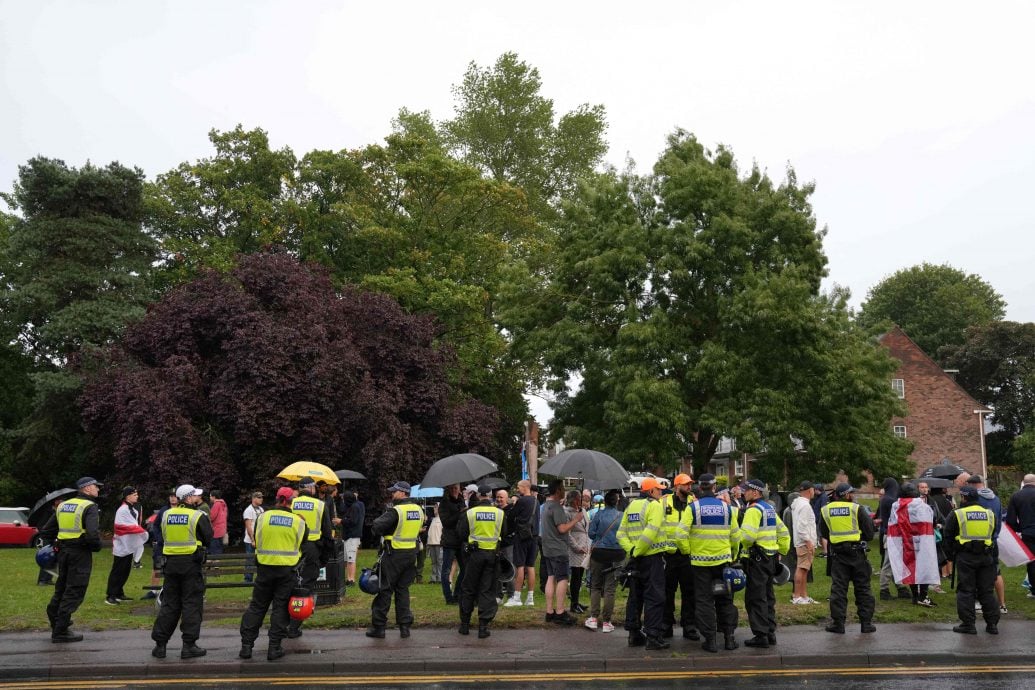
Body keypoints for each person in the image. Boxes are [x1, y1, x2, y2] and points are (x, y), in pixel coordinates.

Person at [238, 487, 308, 661]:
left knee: (257, 607)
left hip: (264, 569)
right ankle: (274, 648)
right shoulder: (298, 521)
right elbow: (303, 543)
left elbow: (257, 538)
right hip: (286, 571)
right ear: (289, 501)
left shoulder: (263, 517)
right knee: (280, 608)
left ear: (278, 499)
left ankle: (246, 647)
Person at [680, 473, 741, 653]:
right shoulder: (727, 508)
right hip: (723, 562)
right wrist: (733, 554)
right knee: (725, 600)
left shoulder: (693, 508)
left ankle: (710, 640)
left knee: (704, 601)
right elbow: (736, 536)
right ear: (714, 488)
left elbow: (680, 535)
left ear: (700, 487)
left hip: (700, 564)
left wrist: (688, 551)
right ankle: (729, 638)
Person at [151, 484, 212, 659]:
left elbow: (162, 536)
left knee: (170, 604)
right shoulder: (197, 515)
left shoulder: (166, 515)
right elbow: (208, 538)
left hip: (170, 565)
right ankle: (189, 645)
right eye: (194, 496)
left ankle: (160, 645)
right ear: (189, 498)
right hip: (191, 565)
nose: (196, 499)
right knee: (191, 604)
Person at [43, 477, 103, 643]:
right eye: (96, 487)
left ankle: (55, 620)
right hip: (80, 553)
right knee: (74, 590)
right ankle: (61, 631)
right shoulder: (89, 506)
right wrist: (96, 547)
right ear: (87, 488)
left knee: (61, 588)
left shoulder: (62, 505)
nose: (98, 490)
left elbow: (47, 531)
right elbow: (92, 535)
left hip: (64, 552)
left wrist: (58, 543)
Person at [617, 477, 674, 650]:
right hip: (651, 559)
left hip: (636, 561)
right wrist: (638, 550)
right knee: (655, 598)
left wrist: (632, 551)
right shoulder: (654, 506)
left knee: (635, 597)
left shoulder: (632, 506)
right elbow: (651, 532)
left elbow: (620, 534)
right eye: (658, 489)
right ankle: (653, 637)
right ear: (650, 491)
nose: (661, 492)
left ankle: (634, 634)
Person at [739, 479, 791, 648]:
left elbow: (747, 537)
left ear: (756, 492)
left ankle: (760, 635)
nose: (743, 492)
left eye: (746, 490)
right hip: (770, 559)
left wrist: (742, 546)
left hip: (757, 560)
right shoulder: (769, 508)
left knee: (756, 598)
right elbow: (783, 532)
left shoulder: (753, 510)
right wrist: (780, 552)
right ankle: (770, 632)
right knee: (768, 597)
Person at [367, 481, 422, 639]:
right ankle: (404, 627)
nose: (392, 494)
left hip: (393, 555)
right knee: (403, 590)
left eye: (395, 491)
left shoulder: (396, 510)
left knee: (385, 590)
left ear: (403, 493)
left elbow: (376, 526)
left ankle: (379, 627)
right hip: (411, 555)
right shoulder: (419, 510)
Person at [819, 483, 876, 635]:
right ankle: (866, 624)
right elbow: (870, 533)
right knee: (863, 589)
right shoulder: (856, 508)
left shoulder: (826, 510)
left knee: (838, 590)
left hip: (838, 555)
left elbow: (824, 532)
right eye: (852, 493)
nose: (853, 495)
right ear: (846, 495)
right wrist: (858, 537)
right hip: (857, 554)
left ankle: (838, 624)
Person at [944, 485, 1000, 634]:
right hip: (986, 556)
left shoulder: (957, 513)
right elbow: (994, 533)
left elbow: (947, 536)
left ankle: (968, 624)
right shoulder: (989, 514)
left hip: (965, 556)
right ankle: (992, 625)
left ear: (963, 497)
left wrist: (950, 555)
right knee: (987, 591)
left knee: (966, 590)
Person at [456, 485, 508, 638]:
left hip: (473, 555)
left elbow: (461, 533)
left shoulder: (470, 513)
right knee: (487, 590)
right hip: (492, 555)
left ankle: (465, 625)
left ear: (478, 496)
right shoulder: (499, 513)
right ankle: (483, 627)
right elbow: (504, 533)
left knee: (468, 588)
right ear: (491, 495)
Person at [289, 476, 334, 638]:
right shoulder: (320, 505)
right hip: (312, 549)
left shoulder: (290, 503)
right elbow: (328, 534)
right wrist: (325, 557)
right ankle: (293, 626)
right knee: (305, 587)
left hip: (292, 548)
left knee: (288, 585)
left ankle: (283, 623)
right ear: (312, 488)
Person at [886, 483, 939, 607]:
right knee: (924, 567)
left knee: (911, 567)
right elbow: (932, 520)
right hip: (923, 540)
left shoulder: (896, 506)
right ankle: (923, 596)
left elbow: (892, 523)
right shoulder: (922, 506)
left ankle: (915, 596)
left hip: (904, 542)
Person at [660, 473, 698, 641]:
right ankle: (666, 625)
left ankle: (689, 626)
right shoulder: (664, 502)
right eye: (685, 484)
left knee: (689, 592)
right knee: (667, 592)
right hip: (669, 555)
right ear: (677, 487)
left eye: (690, 484)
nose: (689, 487)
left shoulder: (694, 503)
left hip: (688, 555)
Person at [541, 479, 582, 626]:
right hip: (558, 548)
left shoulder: (546, 506)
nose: (564, 490)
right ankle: (559, 612)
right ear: (558, 490)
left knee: (551, 577)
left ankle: (549, 611)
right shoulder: (557, 508)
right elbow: (562, 529)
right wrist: (576, 519)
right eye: (563, 488)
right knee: (563, 578)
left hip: (548, 548)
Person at [585, 489, 624, 633]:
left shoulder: (598, 515)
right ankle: (607, 621)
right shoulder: (621, 516)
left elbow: (591, 533)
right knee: (610, 589)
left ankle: (593, 618)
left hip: (599, 552)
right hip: (617, 553)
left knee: (595, 585)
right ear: (617, 501)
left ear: (604, 502)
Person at [968, 475, 1007, 612]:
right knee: (996, 571)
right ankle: (1002, 604)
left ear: (972, 485)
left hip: (979, 541)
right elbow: (1000, 519)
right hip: (993, 539)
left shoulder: (975, 499)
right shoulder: (995, 498)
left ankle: (979, 602)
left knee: (978, 572)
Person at [106, 486, 149, 605]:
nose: (137, 496)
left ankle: (119, 592)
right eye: (134, 495)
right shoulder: (122, 510)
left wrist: (137, 531)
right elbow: (121, 527)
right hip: (121, 544)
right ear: (128, 496)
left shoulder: (134, 510)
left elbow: (133, 524)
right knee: (117, 570)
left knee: (125, 570)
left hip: (129, 545)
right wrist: (138, 530)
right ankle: (111, 595)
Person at [504, 479, 538, 607]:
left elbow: (511, 516)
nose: (517, 490)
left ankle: (517, 597)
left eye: (518, 487)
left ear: (524, 487)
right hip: (533, 537)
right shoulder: (536, 501)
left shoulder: (522, 501)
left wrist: (513, 504)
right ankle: (530, 598)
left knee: (520, 566)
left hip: (522, 537)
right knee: (531, 566)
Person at [877, 477, 910, 601]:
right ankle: (884, 589)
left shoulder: (885, 499)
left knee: (896, 562)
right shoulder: (890, 500)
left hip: (890, 534)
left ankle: (900, 587)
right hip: (891, 535)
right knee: (889, 563)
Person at [1005, 473, 1035, 599]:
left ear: (1024, 482)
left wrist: (1020, 529)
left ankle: (1034, 589)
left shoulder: (1016, 496)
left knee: (1032, 562)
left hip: (1028, 533)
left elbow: (1010, 520)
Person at [790, 481, 818, 604]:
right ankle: (797, 596)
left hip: (802, 541)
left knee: (805, 569)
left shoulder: (799, 504)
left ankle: (804, 595)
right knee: (801, 568)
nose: (814, 492)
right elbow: (802, 527)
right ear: (809, 490)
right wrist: (808, 541)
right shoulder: (805, 506)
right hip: (804, 542)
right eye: (813, 489)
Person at [438, 483, 466, 605]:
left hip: (460, 540)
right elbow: (446, 522)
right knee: (446, 570)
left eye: (457, 488)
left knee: (465, 569)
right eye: (453, 488)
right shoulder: (444, 503)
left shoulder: (461, 500)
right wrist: (460, 513)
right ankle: (449, 597)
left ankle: (457, 594)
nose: (455, 490)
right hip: (449, 541)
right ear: (449, 489)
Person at [565, 490, 590, 613]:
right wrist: (576, 546)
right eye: (580, 498)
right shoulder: (567, 512)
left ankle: (576, 601)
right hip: (575, 548)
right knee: (575, 576)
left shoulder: (583, 511)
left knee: (580, 576)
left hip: (584, 546)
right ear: (575, 500)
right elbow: (567, 533)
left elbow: (587, 527)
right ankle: (573, 604)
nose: (582, 500)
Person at [35, 495, 64, 586]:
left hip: (55, 537)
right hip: (47, 538)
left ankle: (48, 579)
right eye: (61, 501)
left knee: (54, 558)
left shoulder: (59, 512)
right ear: (56, 502)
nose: (62, 503)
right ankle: (42, 580)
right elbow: (41, 525)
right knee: (47, 558)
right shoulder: (48, 512)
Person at [340, 490, 365, 587]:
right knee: (347, 559)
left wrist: (341, 521)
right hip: (349, 536)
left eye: (343, 499)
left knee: (351, 559)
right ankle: (348, 578)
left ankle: (351, 580)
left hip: (352, 537)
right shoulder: (352, 506)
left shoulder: (355, 507)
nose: (342, 501)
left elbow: (353, 521)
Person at [495, 489, 515, 603]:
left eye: (501, 497)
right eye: (497, 497)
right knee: (497, 568)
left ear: (507, 498)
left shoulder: (511, 511)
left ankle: (511, 595)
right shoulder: (495, 511)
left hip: (508, 544)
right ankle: (499, 595)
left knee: (510, 568)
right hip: (497, 544)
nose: (499, 499)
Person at [242, 491, 264, 583]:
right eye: (259, 497)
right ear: (254, 499)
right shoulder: (249, 510)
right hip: (250, 540)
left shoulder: (261, 509)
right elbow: (248, 526)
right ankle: (248, 579)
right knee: (250, 559)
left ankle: (260, 578)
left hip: (259, 539)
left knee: (259, 560)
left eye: (261, 497)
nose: (261, 499)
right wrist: (252, 539)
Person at [207, 490, 228, 556]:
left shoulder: (216, 504)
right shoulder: (223, 504)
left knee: (214, 549)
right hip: (222, 530)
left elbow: (212, 517)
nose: (209, 498)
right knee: (219, 548)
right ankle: (217, 564)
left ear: (214, 497)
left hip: (215, 530)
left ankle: (214, 565)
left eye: (210, 496)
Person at [426, 505, 443, 584]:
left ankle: (439, 578)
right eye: (434, 508)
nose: (434, 510)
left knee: (439, 561)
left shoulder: (442, 519)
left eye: (436, 508)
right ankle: (433, 578)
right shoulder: (433, 519)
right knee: (433, 562)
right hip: (431, 543)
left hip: (438, 543)